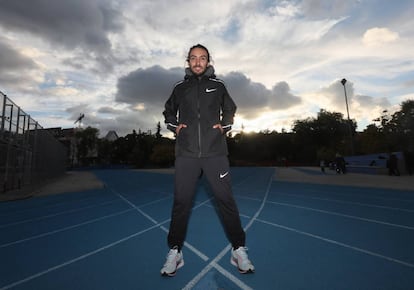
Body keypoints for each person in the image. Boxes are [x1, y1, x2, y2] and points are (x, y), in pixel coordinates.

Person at [161, 44, 254, 276]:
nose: (197, 62)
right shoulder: (180, 87)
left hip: (215, 152)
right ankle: (175, 251)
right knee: (181, 203)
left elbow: (230, 109)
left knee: (226, 201)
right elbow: (168, 111)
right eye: (193, 58)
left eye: (202, 58)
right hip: (186, 153)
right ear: (188, 62)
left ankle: (238, 249)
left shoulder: (218, 85)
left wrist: (225, 126)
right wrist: (175, 126)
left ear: (208, 61)